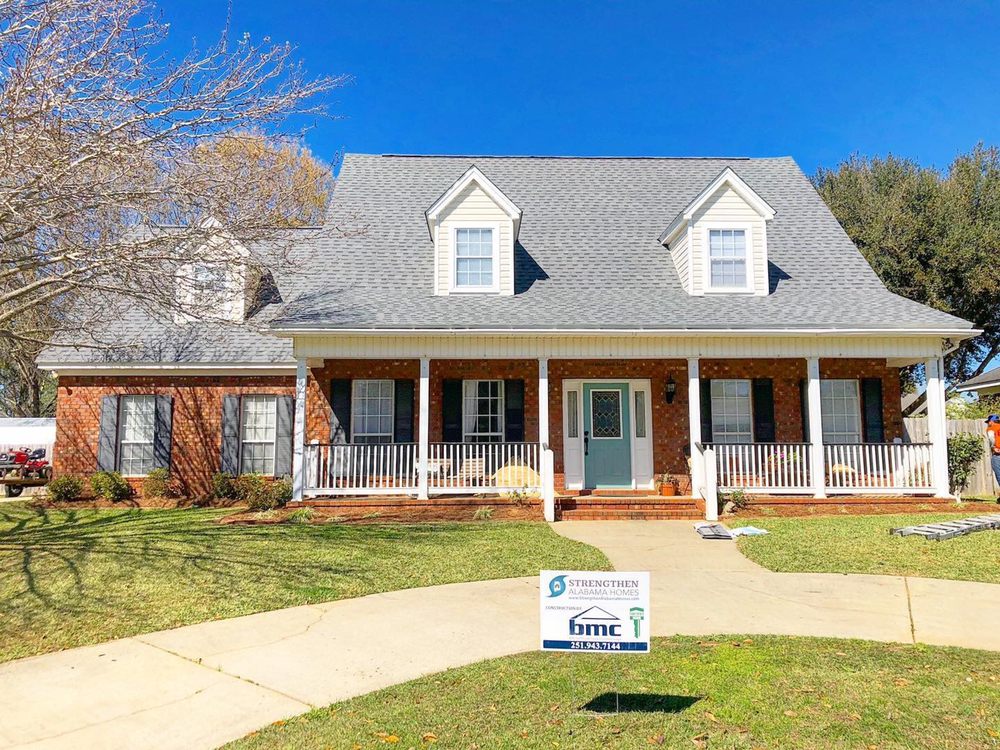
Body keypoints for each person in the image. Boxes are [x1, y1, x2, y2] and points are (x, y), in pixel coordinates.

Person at [986, 415, 1000, 490]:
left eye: (988, 422)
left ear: (991, 422)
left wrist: (993, 447)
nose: (988, 424)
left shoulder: (991, 428)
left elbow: (991, 438)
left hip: (998, 453)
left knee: (999, 474)